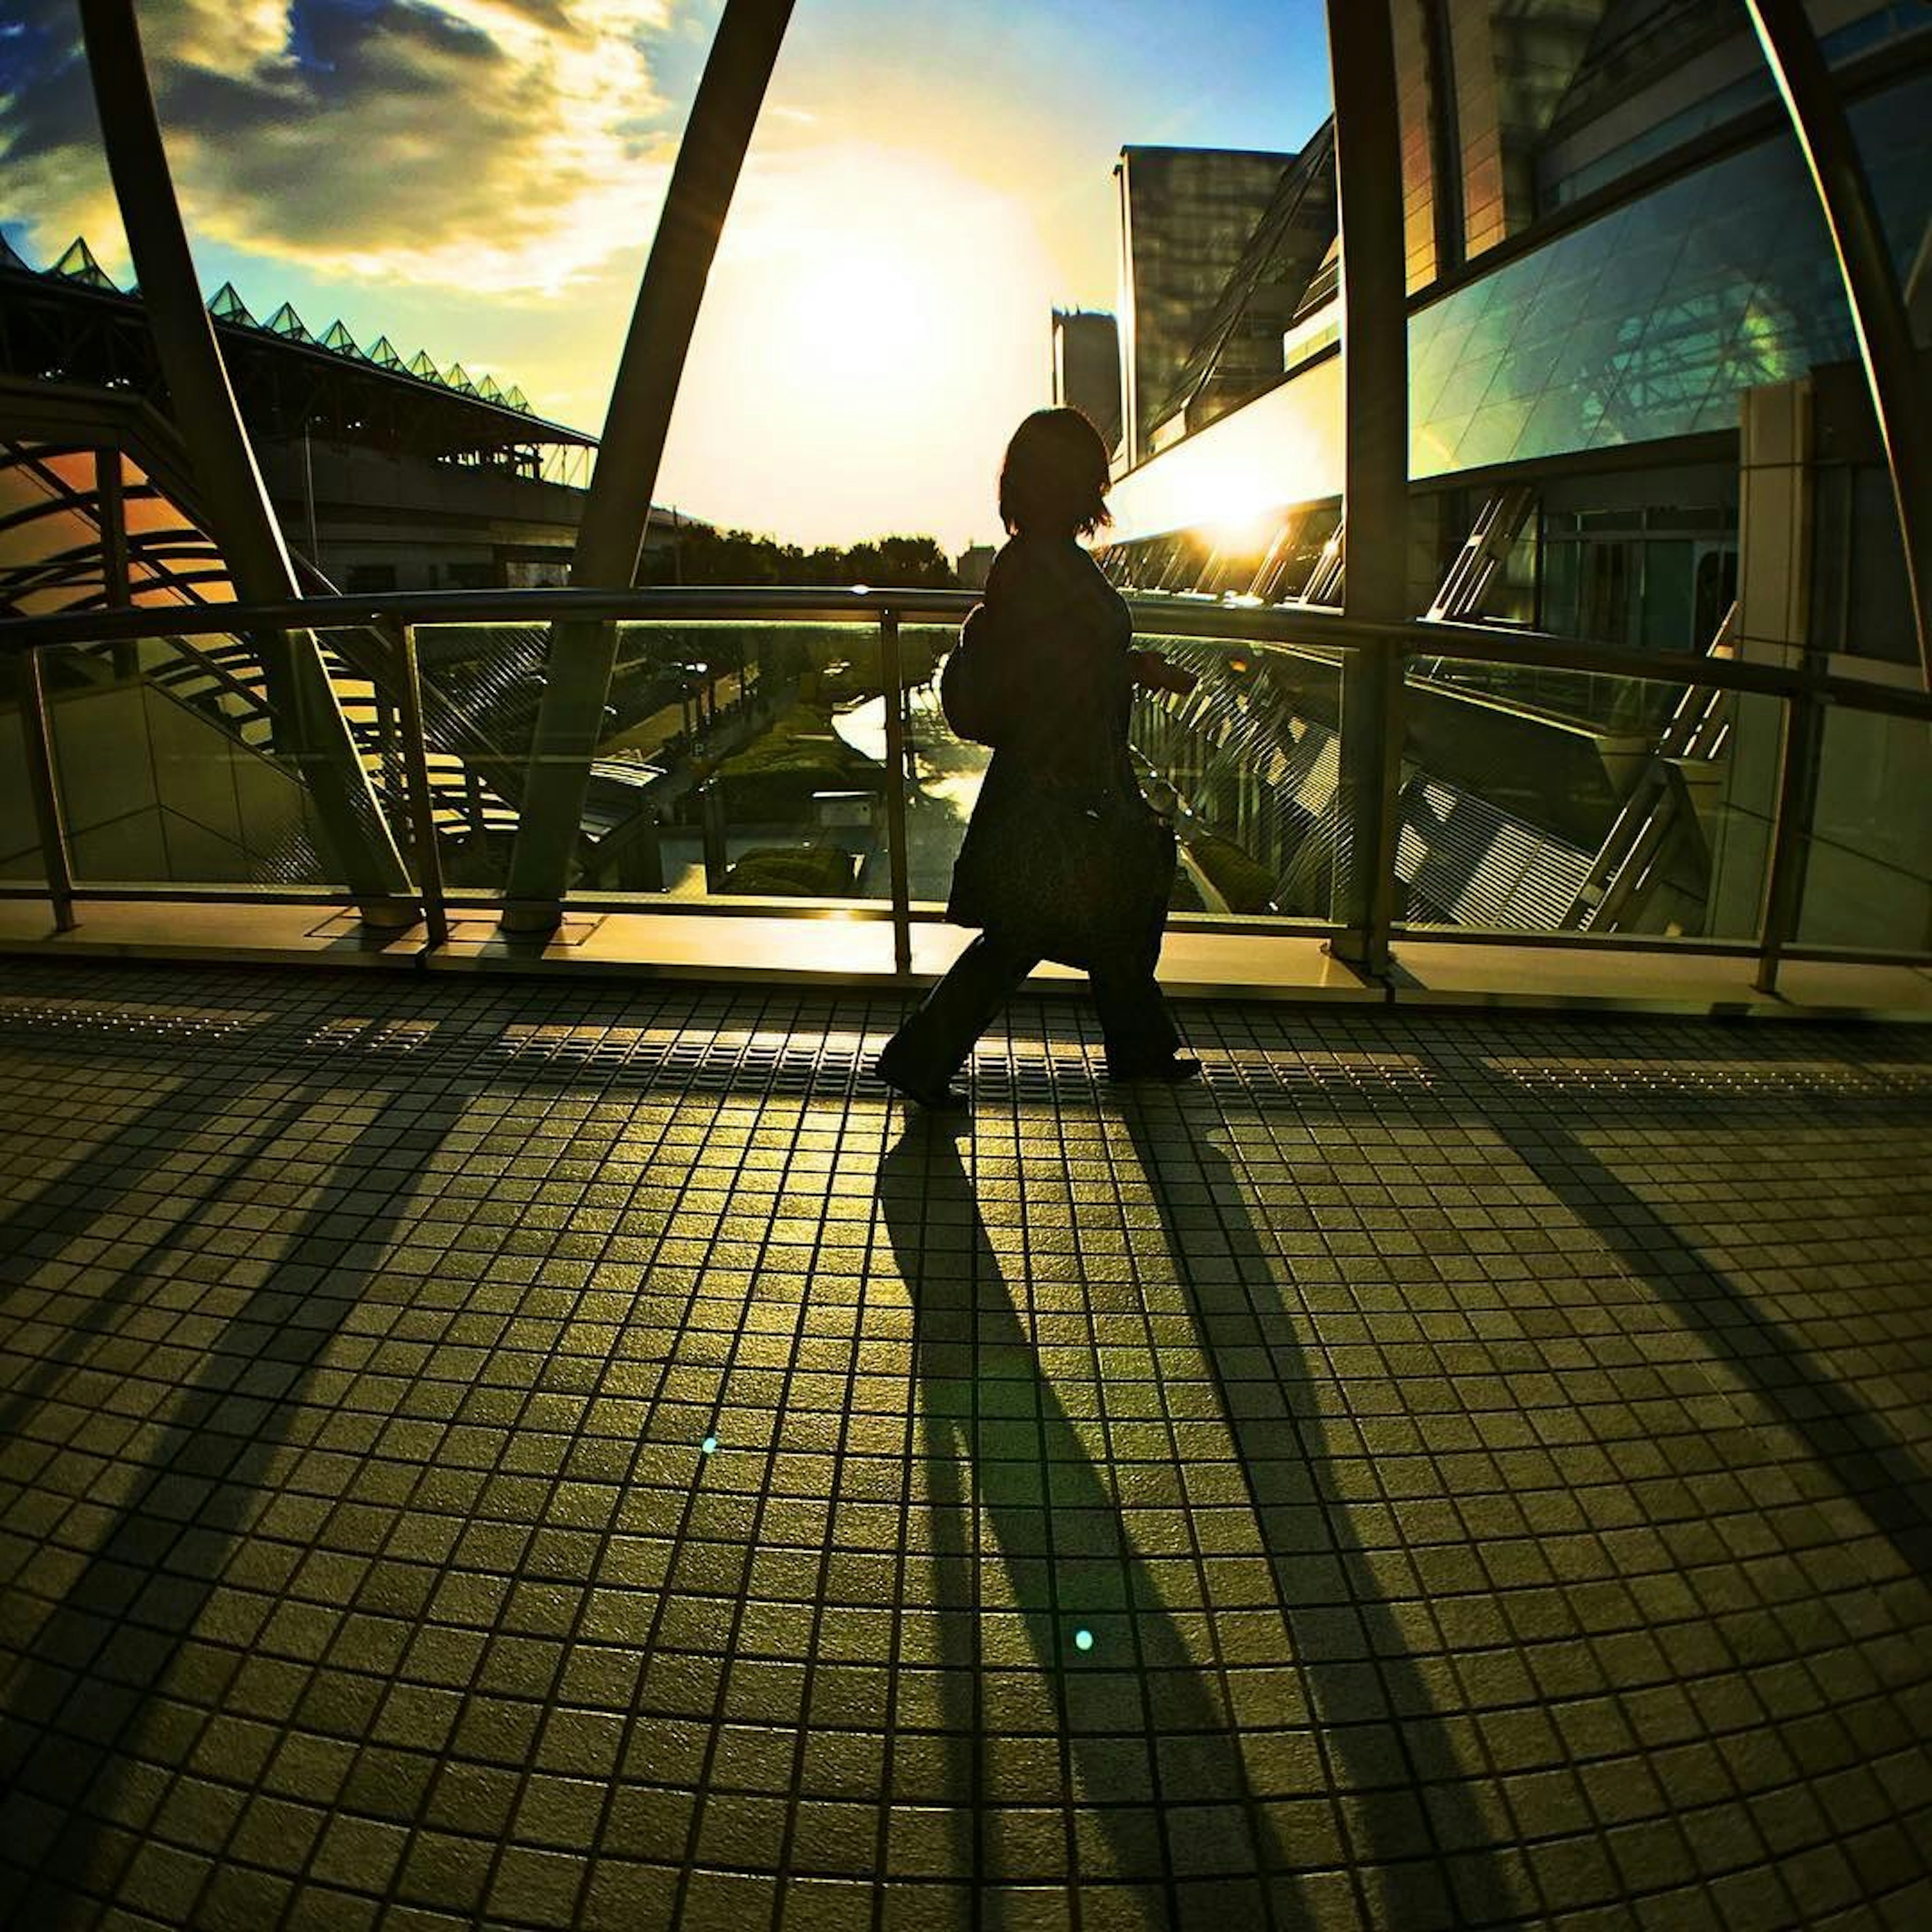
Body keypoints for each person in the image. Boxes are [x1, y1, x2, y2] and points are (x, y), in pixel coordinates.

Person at [872, 407, 1200, 1112]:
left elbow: (1074, 661)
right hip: (1060, 775)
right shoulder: (1038, 566)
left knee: (1086, 910)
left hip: (1063, 769)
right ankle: (922, 1055)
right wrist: (1132, 667)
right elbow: (1059, 672)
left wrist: (1133, 667)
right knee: (1059, 916)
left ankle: (1133, 1047)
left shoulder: (1037, 561)